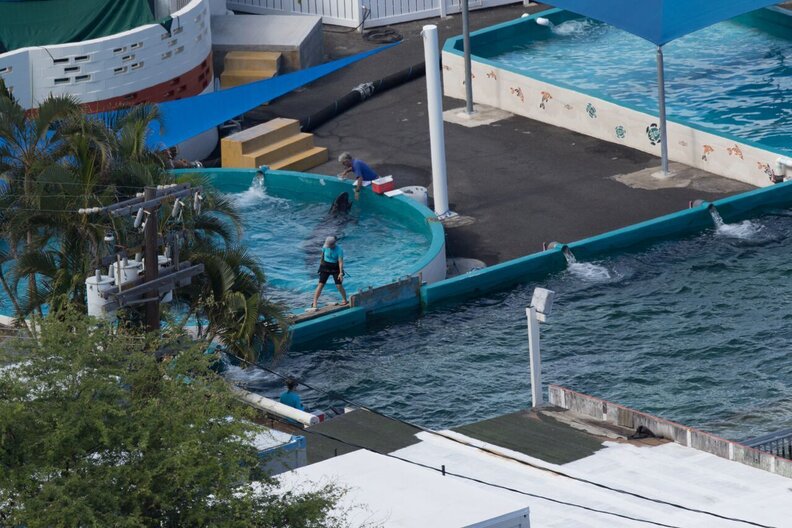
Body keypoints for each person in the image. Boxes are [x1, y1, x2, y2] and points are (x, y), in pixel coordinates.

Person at [311, 236, 348, 309]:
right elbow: (322, 257)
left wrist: (340, 273)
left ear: (333, 244)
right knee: (321, 284)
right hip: (325, 267)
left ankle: (345, 300)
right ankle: (314, 302)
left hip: (335, 267)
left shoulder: (339, 250)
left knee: (338, 285)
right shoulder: (325, 247)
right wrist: (320, 267)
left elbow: (340, 262)